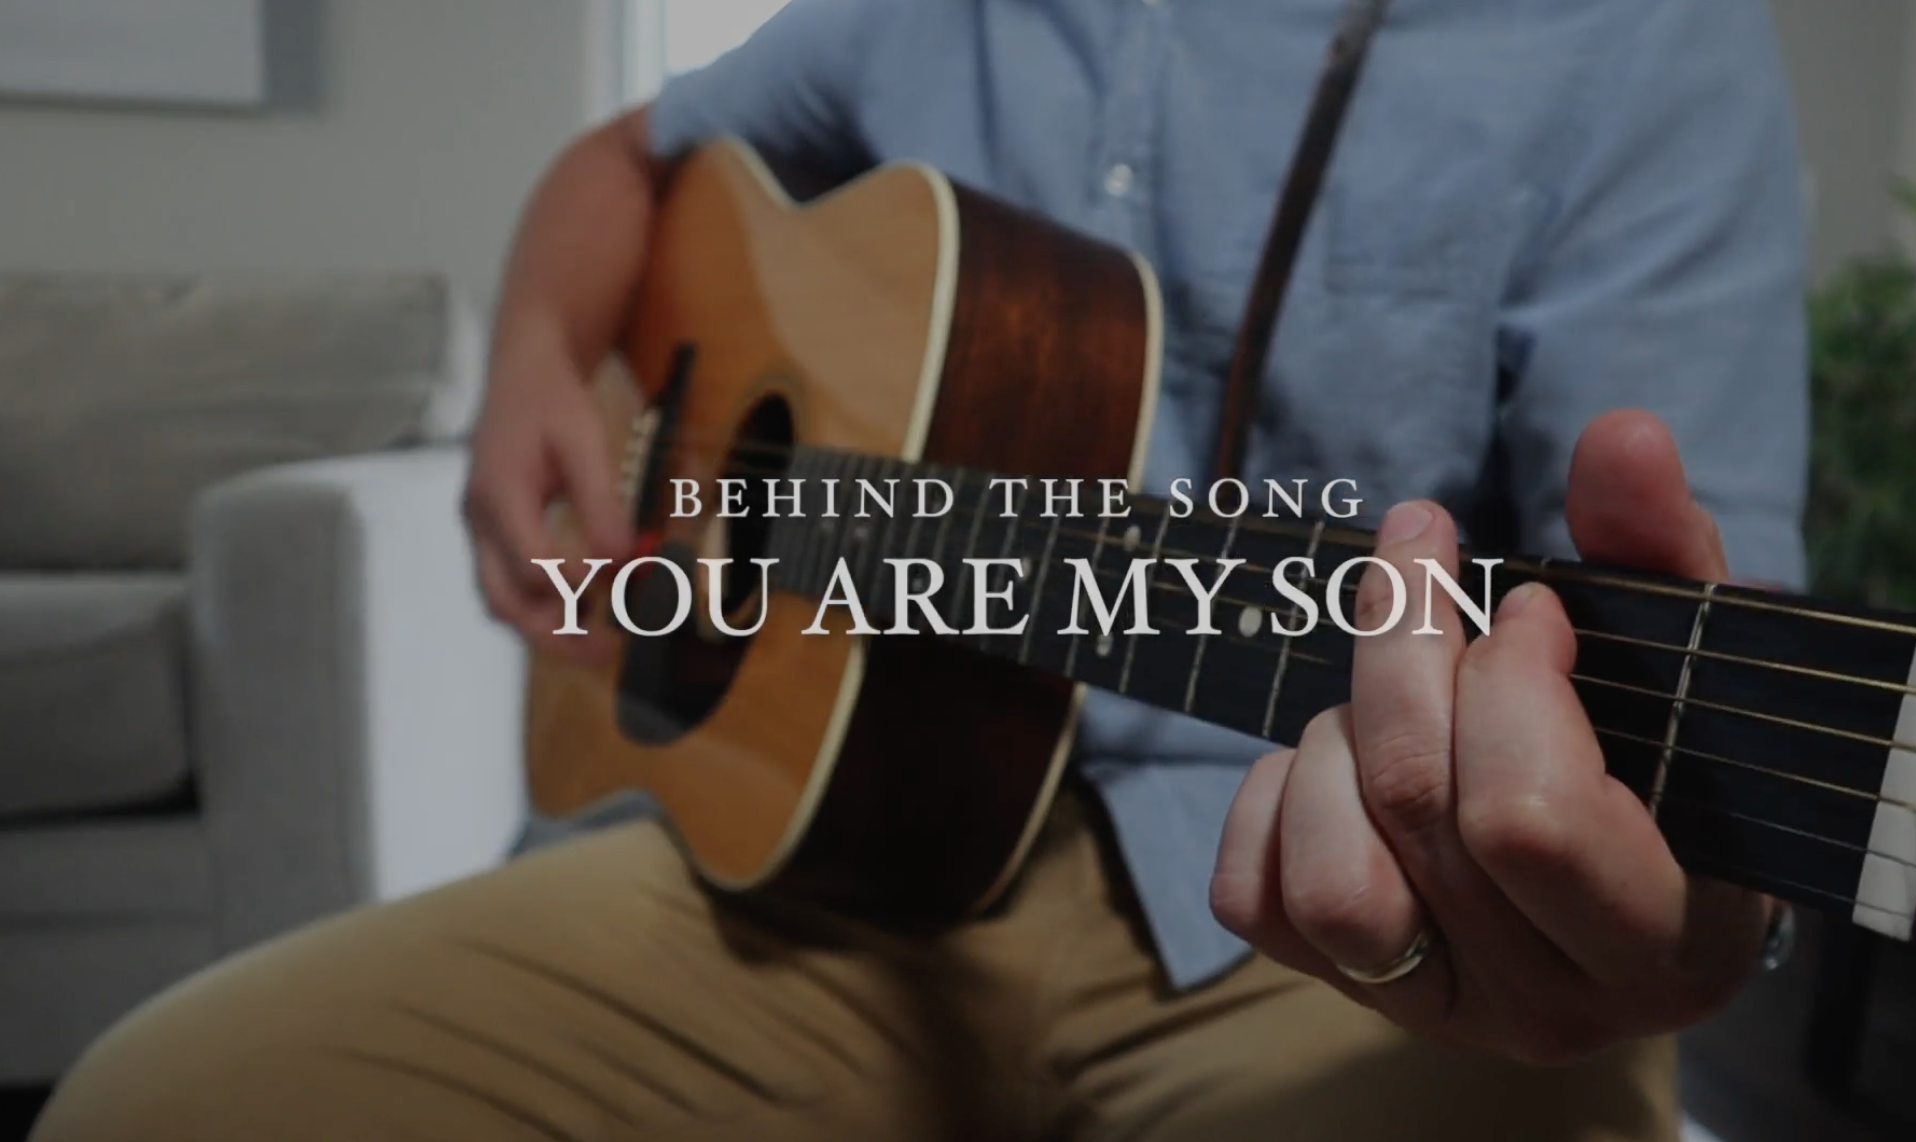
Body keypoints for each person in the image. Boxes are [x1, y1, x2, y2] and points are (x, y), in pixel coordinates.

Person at [31, 0, 1809, 1139]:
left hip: (1330, 925)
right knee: (157, 1099)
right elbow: (625, 158)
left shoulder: (1638, 40)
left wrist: (1686, 900)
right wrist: (524, 375)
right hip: (807, 867)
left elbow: (1700, 690)